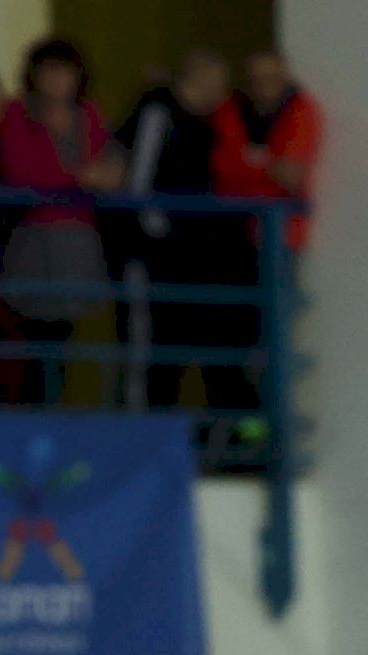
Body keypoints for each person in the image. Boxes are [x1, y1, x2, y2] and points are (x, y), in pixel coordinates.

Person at [120, 49, 253, 411]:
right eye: (218, 83)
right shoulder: (158, 113)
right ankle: (148, 431)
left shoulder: (212, 123)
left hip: (204, 261)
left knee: (216, 352)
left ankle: (224, 434)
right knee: (160, 354)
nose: (223, 92)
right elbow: (139, 186)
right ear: (197, 79)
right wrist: (163, 234)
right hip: (160, 260)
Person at [0, 35, 115, 404]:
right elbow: (20, 172)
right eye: (50, 72)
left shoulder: (90, 115)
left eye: (65, 73)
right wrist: (81, 178)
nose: (58, 81)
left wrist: (107, 176)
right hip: (34, 238)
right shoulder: (16, 114)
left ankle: (54, 410)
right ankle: (35, 413)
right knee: (34, 337)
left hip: (78, 241)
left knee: (65, 336)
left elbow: (108, 163)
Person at [214, 46, 320, 255]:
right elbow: (222, 170)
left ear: (284, 77)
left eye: (272, 79)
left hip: (279, 232)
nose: (265, 87)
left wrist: (250, 163)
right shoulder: (230, 110)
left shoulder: (298, 109)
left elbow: (291, 176)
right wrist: (270, 163)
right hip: (231, 225)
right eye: (257, 80)